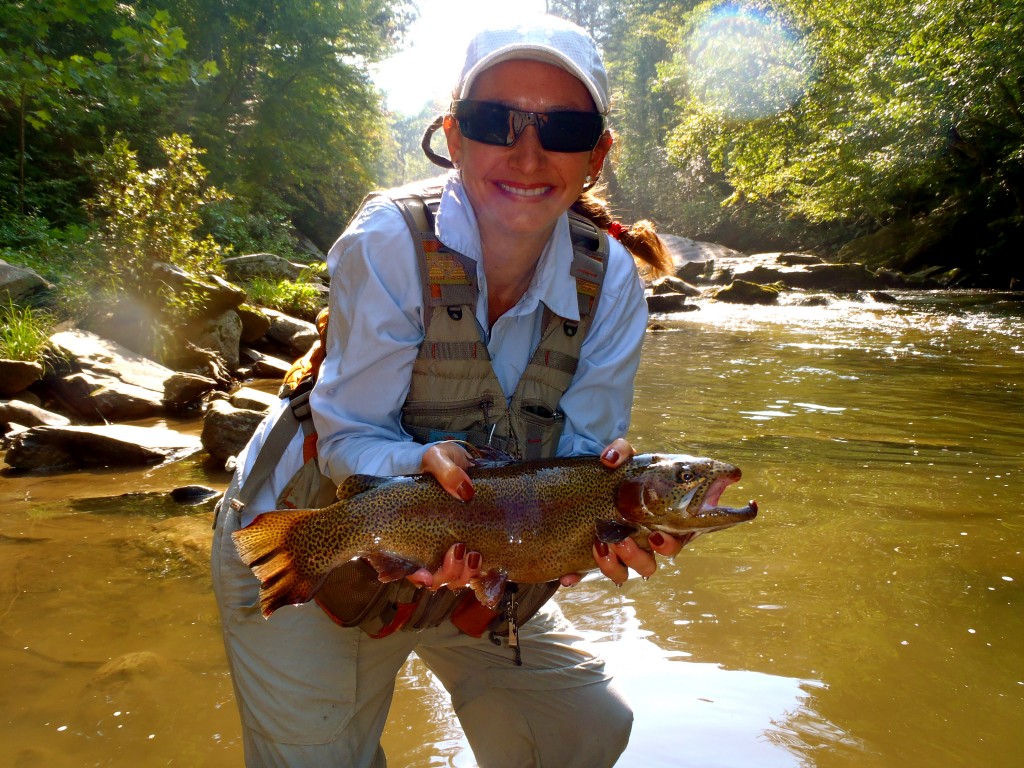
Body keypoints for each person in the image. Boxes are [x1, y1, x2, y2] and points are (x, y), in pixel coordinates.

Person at [212, 13, 688, 767]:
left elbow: (582, 459)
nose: (528, 153)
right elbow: (348, 441)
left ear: (595, 155)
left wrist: (612, 524)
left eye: (561, 128)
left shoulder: (615, 280)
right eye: (496, 121)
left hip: (489, 553)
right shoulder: (388, 243)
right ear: (453, 136)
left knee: (584, 727)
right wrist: (419, 482)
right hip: (310, 541)